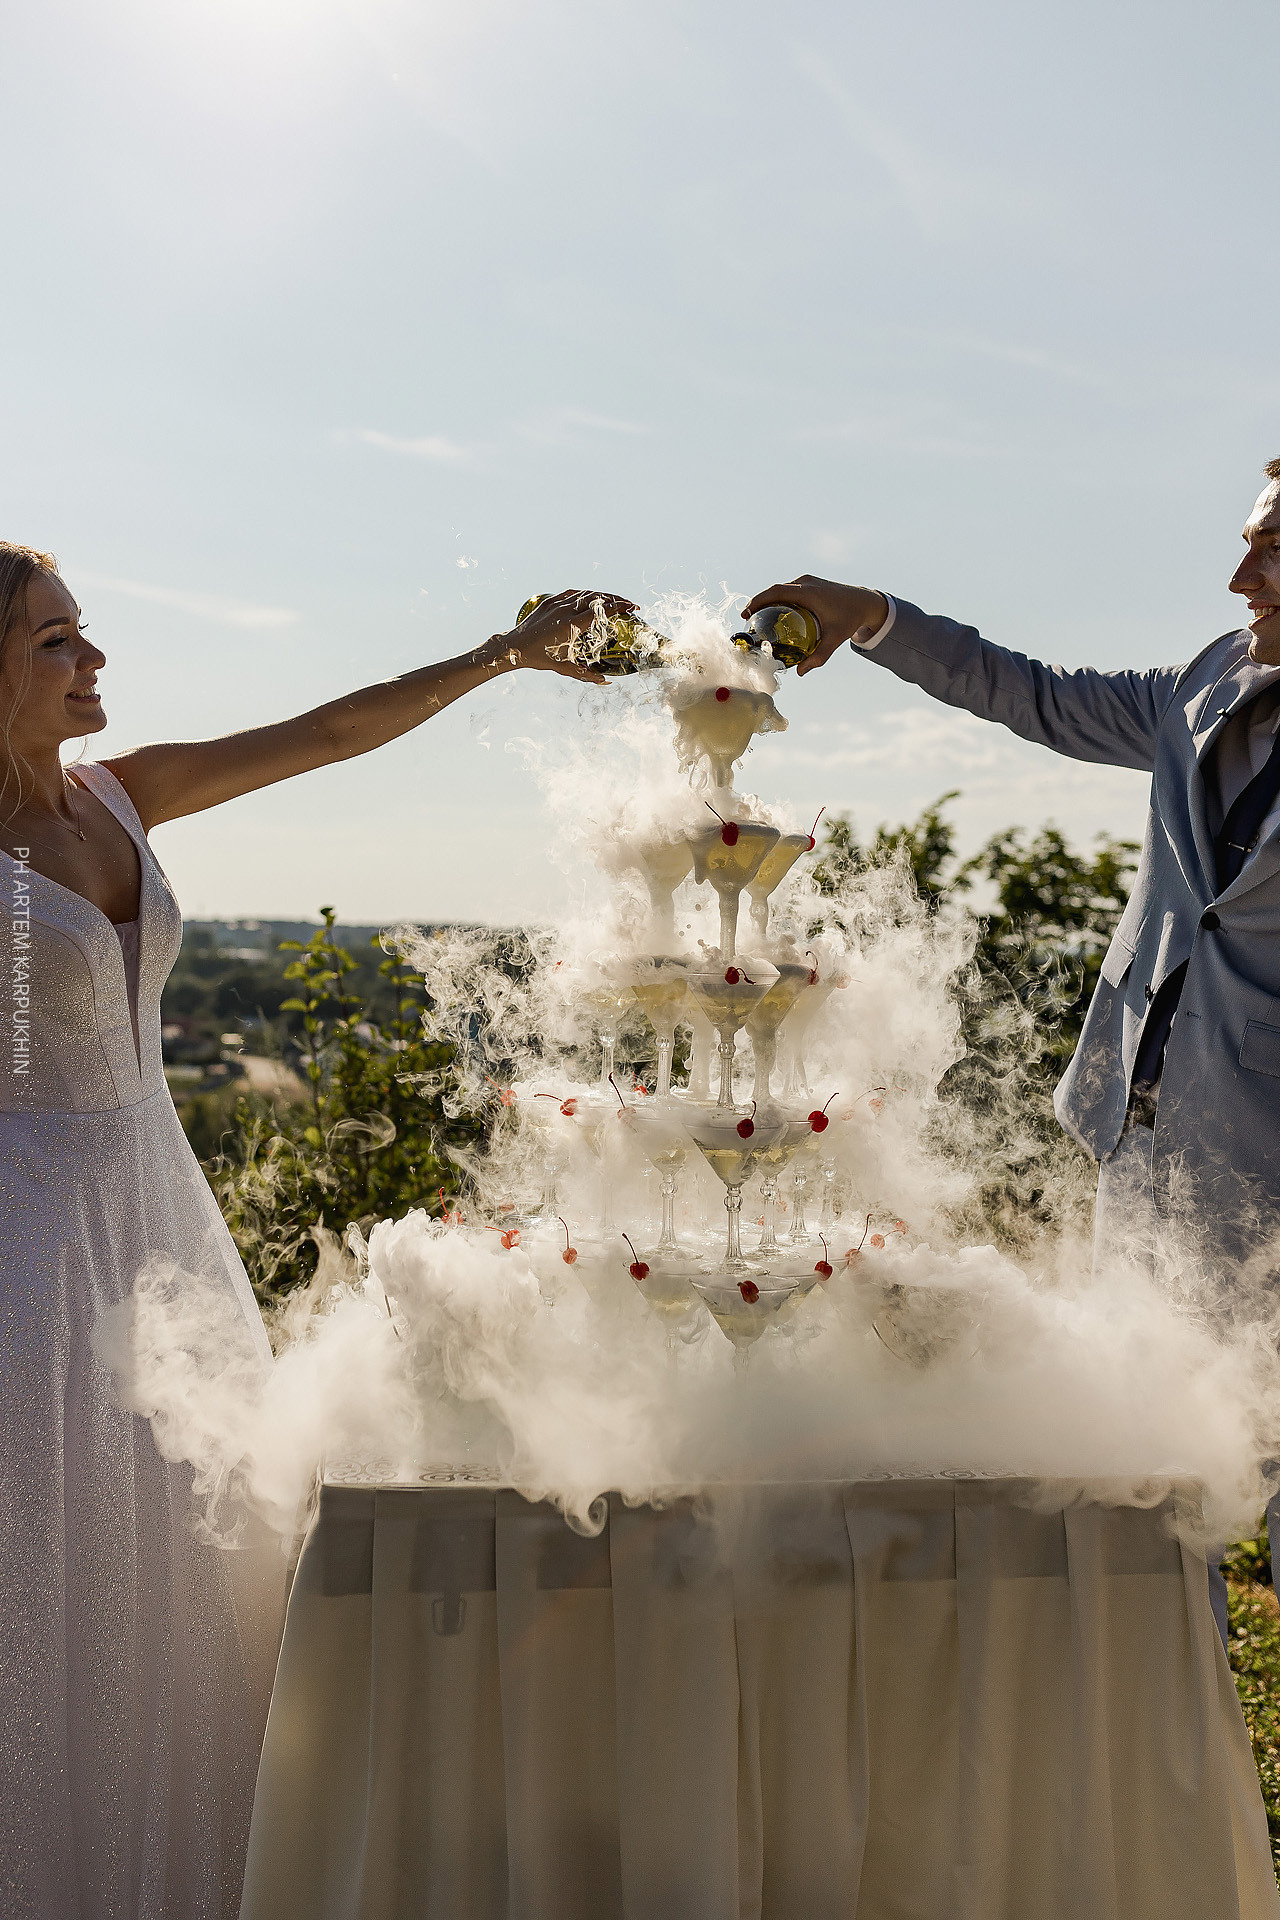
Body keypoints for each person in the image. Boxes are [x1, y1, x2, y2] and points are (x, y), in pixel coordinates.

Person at [0, 545, 628, 1920]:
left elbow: (328, 735)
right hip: (24, 1247)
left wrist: (503, 655)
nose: (92, 660)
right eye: (55, 641)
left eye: (83, 633)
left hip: (161, 1223)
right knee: (46, 1573)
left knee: (199, 1563)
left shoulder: (122, 794)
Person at [742, 456, 1280, 1635]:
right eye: (1250, 542)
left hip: (1269, 1150)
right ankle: (1172, 1721)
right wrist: (870, 617)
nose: (1240, 577)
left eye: (1272, 550)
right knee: (1151, 1463)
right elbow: (1029, 693)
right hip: (1142, 1133)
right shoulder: (1207, 681)